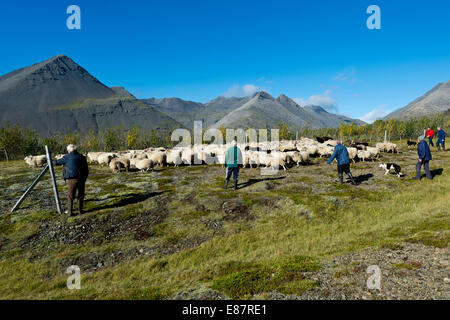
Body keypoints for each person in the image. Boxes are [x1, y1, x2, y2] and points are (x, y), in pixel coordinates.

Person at [53, 144, 89, 216]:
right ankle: (80, 211)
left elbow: (57, 162)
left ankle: (70, 212)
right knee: (81, 195)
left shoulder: (66, 157)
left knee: (70, 196)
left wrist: (50, 161)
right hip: (81, 179)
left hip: (71, 179)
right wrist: (85, 178)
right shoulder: (82, 157)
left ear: (69, 150)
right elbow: (86, 169)